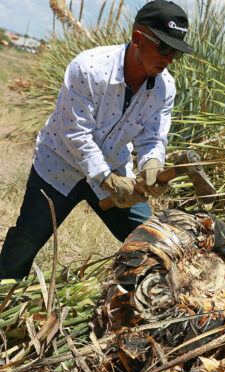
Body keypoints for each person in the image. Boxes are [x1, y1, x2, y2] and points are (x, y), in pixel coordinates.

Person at [0, 0, 194, 281]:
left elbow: (153, 136)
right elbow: (75, 134)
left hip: (114, 168)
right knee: (25, 242)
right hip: (58, 167)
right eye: (164, 47)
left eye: (175, 51)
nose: (169, 58)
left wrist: (152, 164)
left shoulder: (165, 88)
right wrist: (107, 180)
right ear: (137, 38)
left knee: (152, 242)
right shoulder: (89, 68)